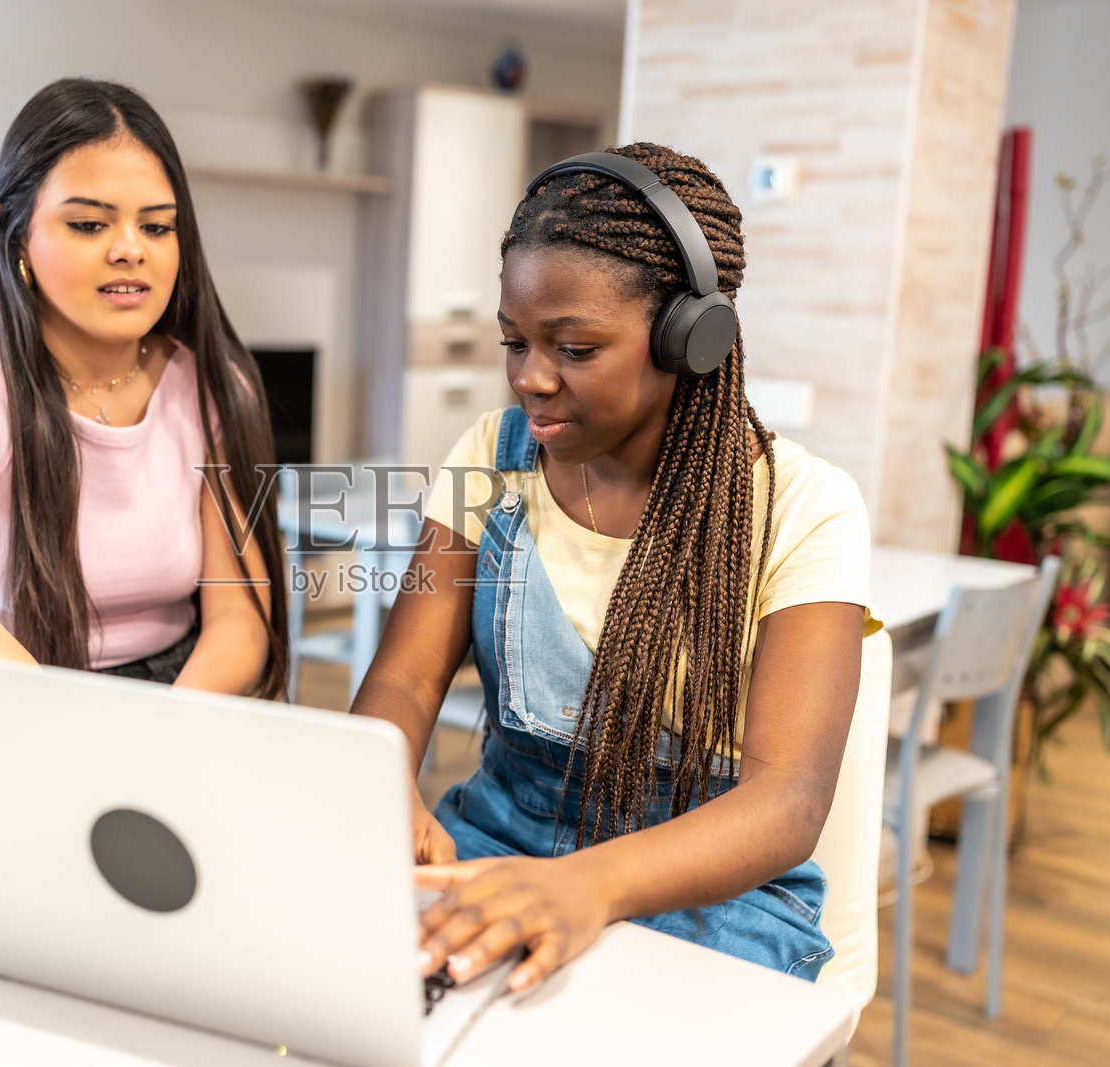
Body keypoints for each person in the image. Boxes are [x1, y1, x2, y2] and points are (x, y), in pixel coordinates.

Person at [351, 143, 878, 993]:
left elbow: (789, 800)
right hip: (495, 846)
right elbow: (406, 683)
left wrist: (582, 886)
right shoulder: (491, 454)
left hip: (707, 895)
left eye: (575, 348)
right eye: (514, 341)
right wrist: (381, 780)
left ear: (690, 339)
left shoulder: (804, 505)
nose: (531, 377)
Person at [0, 78, 285, 697]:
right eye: (88, 225)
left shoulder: (211, 384)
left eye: (157, 228)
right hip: (20, 692)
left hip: (188, 693)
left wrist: (159, 731)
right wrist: (82, 734)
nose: (131, 251)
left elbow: (240, 619)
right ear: (14, 232)